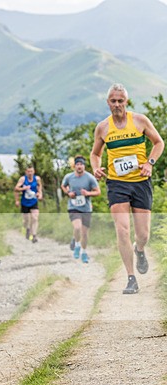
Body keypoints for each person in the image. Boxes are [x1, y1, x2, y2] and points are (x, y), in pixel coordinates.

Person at [90, 83, 164, 294]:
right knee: (122, 230)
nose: (117, 105)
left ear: (126, 102)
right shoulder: (103, 127)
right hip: (117, 184)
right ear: (108, 103)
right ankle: (131, 278)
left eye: (120, 101)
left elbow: (159, 143)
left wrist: (149, 163)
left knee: (143, 234)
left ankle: (139, 249)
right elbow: (95, 154)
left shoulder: (140, 121)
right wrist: (96, 168)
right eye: (113, 101)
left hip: (140, 181)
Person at [60, 155, 100, 263]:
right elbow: (63, 186)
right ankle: (77, 246)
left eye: (81, 164)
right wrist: (69, 193)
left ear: (84, 166)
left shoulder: (89, 177)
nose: (79, 166)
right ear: (74, 166)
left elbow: (97, 191)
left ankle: (84, 252)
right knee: (77, 227)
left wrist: (88, 193)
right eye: (77, 164)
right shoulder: (69, 177)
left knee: (85, 233)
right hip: (73, 207)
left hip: (86, 208)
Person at [14, 164, 43, 242]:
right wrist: (24, 188)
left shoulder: (37, 179)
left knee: (35, 218)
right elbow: (16, 188)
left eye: (31, 171)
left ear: (34, 172)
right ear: (26, 172)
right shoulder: (23, 179)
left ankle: (34, 235)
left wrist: (40, 194)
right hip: (25, 202)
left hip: (34, 201)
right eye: (28, 171)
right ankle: (27, 229)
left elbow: (39, 187)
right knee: (26, 220)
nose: (30, 173)